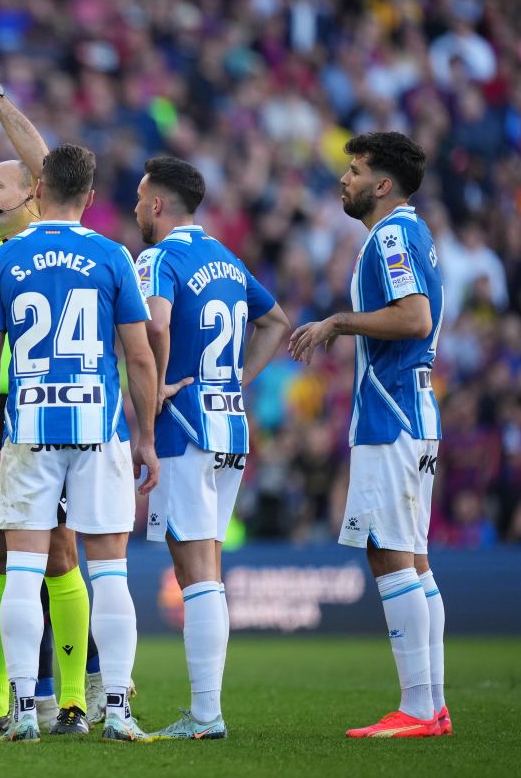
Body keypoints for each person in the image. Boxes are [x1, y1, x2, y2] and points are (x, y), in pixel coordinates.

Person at [0, 143, 159, 743]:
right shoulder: (112, 256)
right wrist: (147, 438)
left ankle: (25, 708)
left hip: (28, 431)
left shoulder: (4, 259)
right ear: (91, 197)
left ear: (37, 190)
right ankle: (119, 710)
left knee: (23, 571)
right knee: (109, 573)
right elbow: (138, 355)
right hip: (96, 431)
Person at [0, 54, 96, 735]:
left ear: (34, 195)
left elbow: (46, 161)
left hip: (42, 409)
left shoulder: (41, 242)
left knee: (58, 548)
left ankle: (70, 697)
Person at [289, 131, 449, 739]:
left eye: (354, 171)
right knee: (415, 560)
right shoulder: (414, 232)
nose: (344, 180)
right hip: (413, 412)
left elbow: (414, 318)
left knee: (391, 554)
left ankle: (416, 707)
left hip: (393, 415)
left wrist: (338, 322)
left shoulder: (389, 236)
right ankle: (431, 704)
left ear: (383, 185)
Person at [131, 156, 290, 740]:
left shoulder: (158, 257)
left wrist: (160, 382)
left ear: (157, 205)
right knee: (209, 567)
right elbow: (275, 321)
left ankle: (204, 715)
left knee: (194, 571)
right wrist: (236, 379)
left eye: (139, 197)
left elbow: (155, 326)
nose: (134, 208)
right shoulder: (225, 258)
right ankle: (205, 711)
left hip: (183, 426)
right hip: (229, 425)